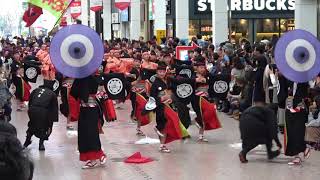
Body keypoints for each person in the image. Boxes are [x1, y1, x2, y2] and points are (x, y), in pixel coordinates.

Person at [70, 75, 107, 169]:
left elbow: (74, 93)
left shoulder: (95, 79)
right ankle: (92, 159)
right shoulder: (81, 79)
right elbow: (74, 93)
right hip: (84, 110)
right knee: (84, 134)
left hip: (92, 109)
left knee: (91, 133)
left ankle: (100, 155)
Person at [23, 80, 59, 151]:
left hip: (32, 110)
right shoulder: (52, 94)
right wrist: (51, 122)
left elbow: (30, 101)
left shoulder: (36, 90)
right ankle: (41, 144)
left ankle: (27, 141)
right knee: (44, 127)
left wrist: (30, 111)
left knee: (32, 125)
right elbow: (54, 109)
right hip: (43, 111)